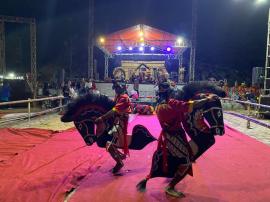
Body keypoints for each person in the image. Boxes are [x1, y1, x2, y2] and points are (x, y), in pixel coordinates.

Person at [136, 81, 217, 198]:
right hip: (173, 136)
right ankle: (170, 186)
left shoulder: (160, 105)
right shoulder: (172, 103)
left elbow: (185, 103)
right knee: (187, 161)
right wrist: (207, 99)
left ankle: (168, 174)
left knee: (177, 157)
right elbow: (189, 105)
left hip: (171, 134)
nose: (176, 94)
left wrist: (201, 97)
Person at [95, 80, 131, 174]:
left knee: (109, 144)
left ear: (123, 88)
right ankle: (120, 155)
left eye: (118, 88)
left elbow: (114, 110)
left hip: (120, 124)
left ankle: (119, 162)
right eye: (115, 88)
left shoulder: (124, 98)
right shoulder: (118, 96)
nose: (116, 90)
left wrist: (102, 118)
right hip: (115, 122)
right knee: (107, 140)